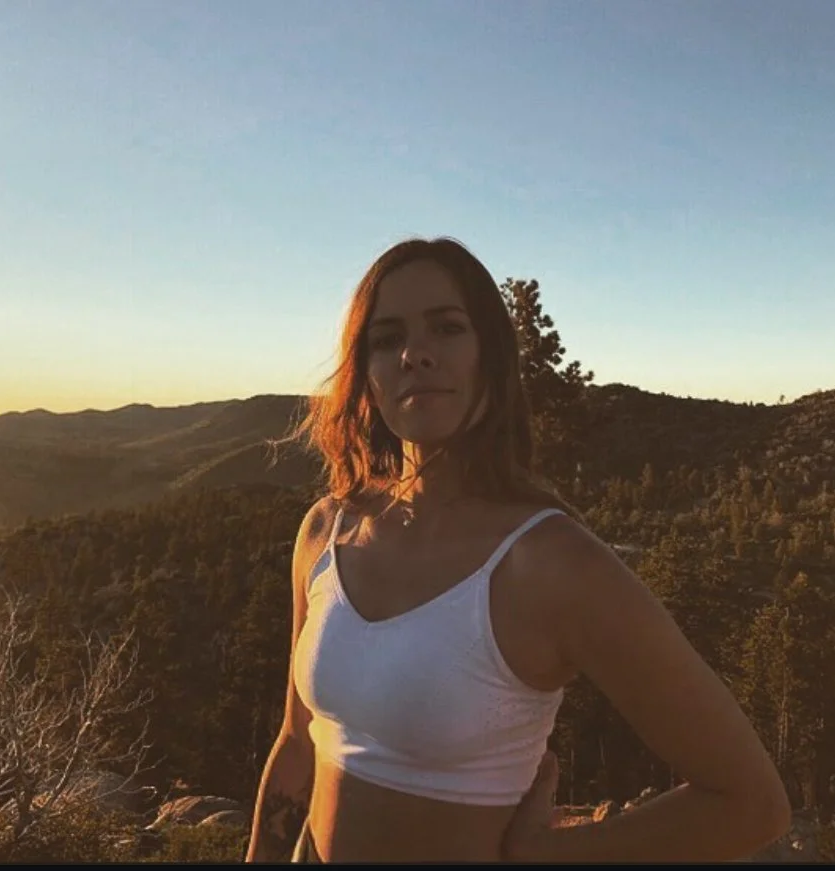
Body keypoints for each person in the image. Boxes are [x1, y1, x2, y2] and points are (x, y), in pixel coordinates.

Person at [244, 237, 791, 863]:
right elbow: (296, 741)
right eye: (385, 337)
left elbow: (752, 804)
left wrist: (551, 858)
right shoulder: (325, 531)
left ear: (491, 357)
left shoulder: (551, 564)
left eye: (447, 329)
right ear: (364, 372)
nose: (414, 354)